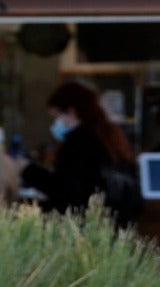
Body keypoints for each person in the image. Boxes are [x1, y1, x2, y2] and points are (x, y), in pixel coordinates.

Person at [20, 80, 138, 223]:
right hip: (117, 226)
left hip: (88, 226)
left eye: (56, 116)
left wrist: (26, 170)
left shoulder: (79, 144)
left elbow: (65, 192)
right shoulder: (112, 138)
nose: (55, 123)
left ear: (72, 111)